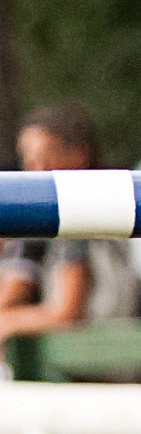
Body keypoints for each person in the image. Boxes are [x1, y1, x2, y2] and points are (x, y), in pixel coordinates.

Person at [0, 103, 99, 360]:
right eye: (28, 158)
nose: (37, 168)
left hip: (100, 358)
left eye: (49, 155)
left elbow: (67, 311)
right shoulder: (43, 221)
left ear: (79, 154)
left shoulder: (82, 214)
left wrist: (7, 323)